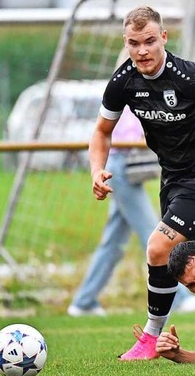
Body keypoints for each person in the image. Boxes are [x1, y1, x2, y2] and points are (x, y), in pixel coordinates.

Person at [90, 6, 195, 360]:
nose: (142, 51)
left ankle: (150, 337)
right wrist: (97, 170)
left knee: (158, 248)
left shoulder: (191, 77)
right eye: (134, 43)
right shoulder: (123, 81)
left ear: (164, 38)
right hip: (173, 179)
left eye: (150, 41)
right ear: (127, 42)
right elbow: (101, 131)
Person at [68, 107, 160, 317]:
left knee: (113, 242)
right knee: (154, 235)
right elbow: (125, 131)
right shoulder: (126, 87)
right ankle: (178, 295)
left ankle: (84, 302)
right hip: (120, 167)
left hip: (122, 165)